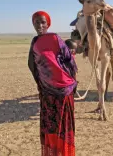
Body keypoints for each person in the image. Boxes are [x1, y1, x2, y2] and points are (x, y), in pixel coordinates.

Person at [28, 10, 77, 156]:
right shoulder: (35, 42)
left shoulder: (55, 38)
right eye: (37, 22)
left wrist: (70, 82)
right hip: (46, 92)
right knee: (50, 127)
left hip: (63, 91)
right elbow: (32, 65)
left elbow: (69, 61)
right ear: (33, 24)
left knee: (63, 127)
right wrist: (42, 82)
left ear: (48, 24)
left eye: (43, 22)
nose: (40, 25)